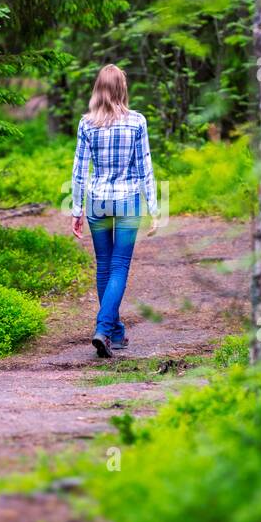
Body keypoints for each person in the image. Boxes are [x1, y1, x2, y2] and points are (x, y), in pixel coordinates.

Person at [69, 64, 158, 357]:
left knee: (104, 266)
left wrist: (76, 209)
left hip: (97, 200)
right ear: (122, 88)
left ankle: (115, 331)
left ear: (98, 88)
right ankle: (105, 329)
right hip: (127, 200)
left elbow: (80, 170)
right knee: (118, 267)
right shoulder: (137, 122)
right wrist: (154, 209)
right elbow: (145, 167)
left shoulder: (86, 124)